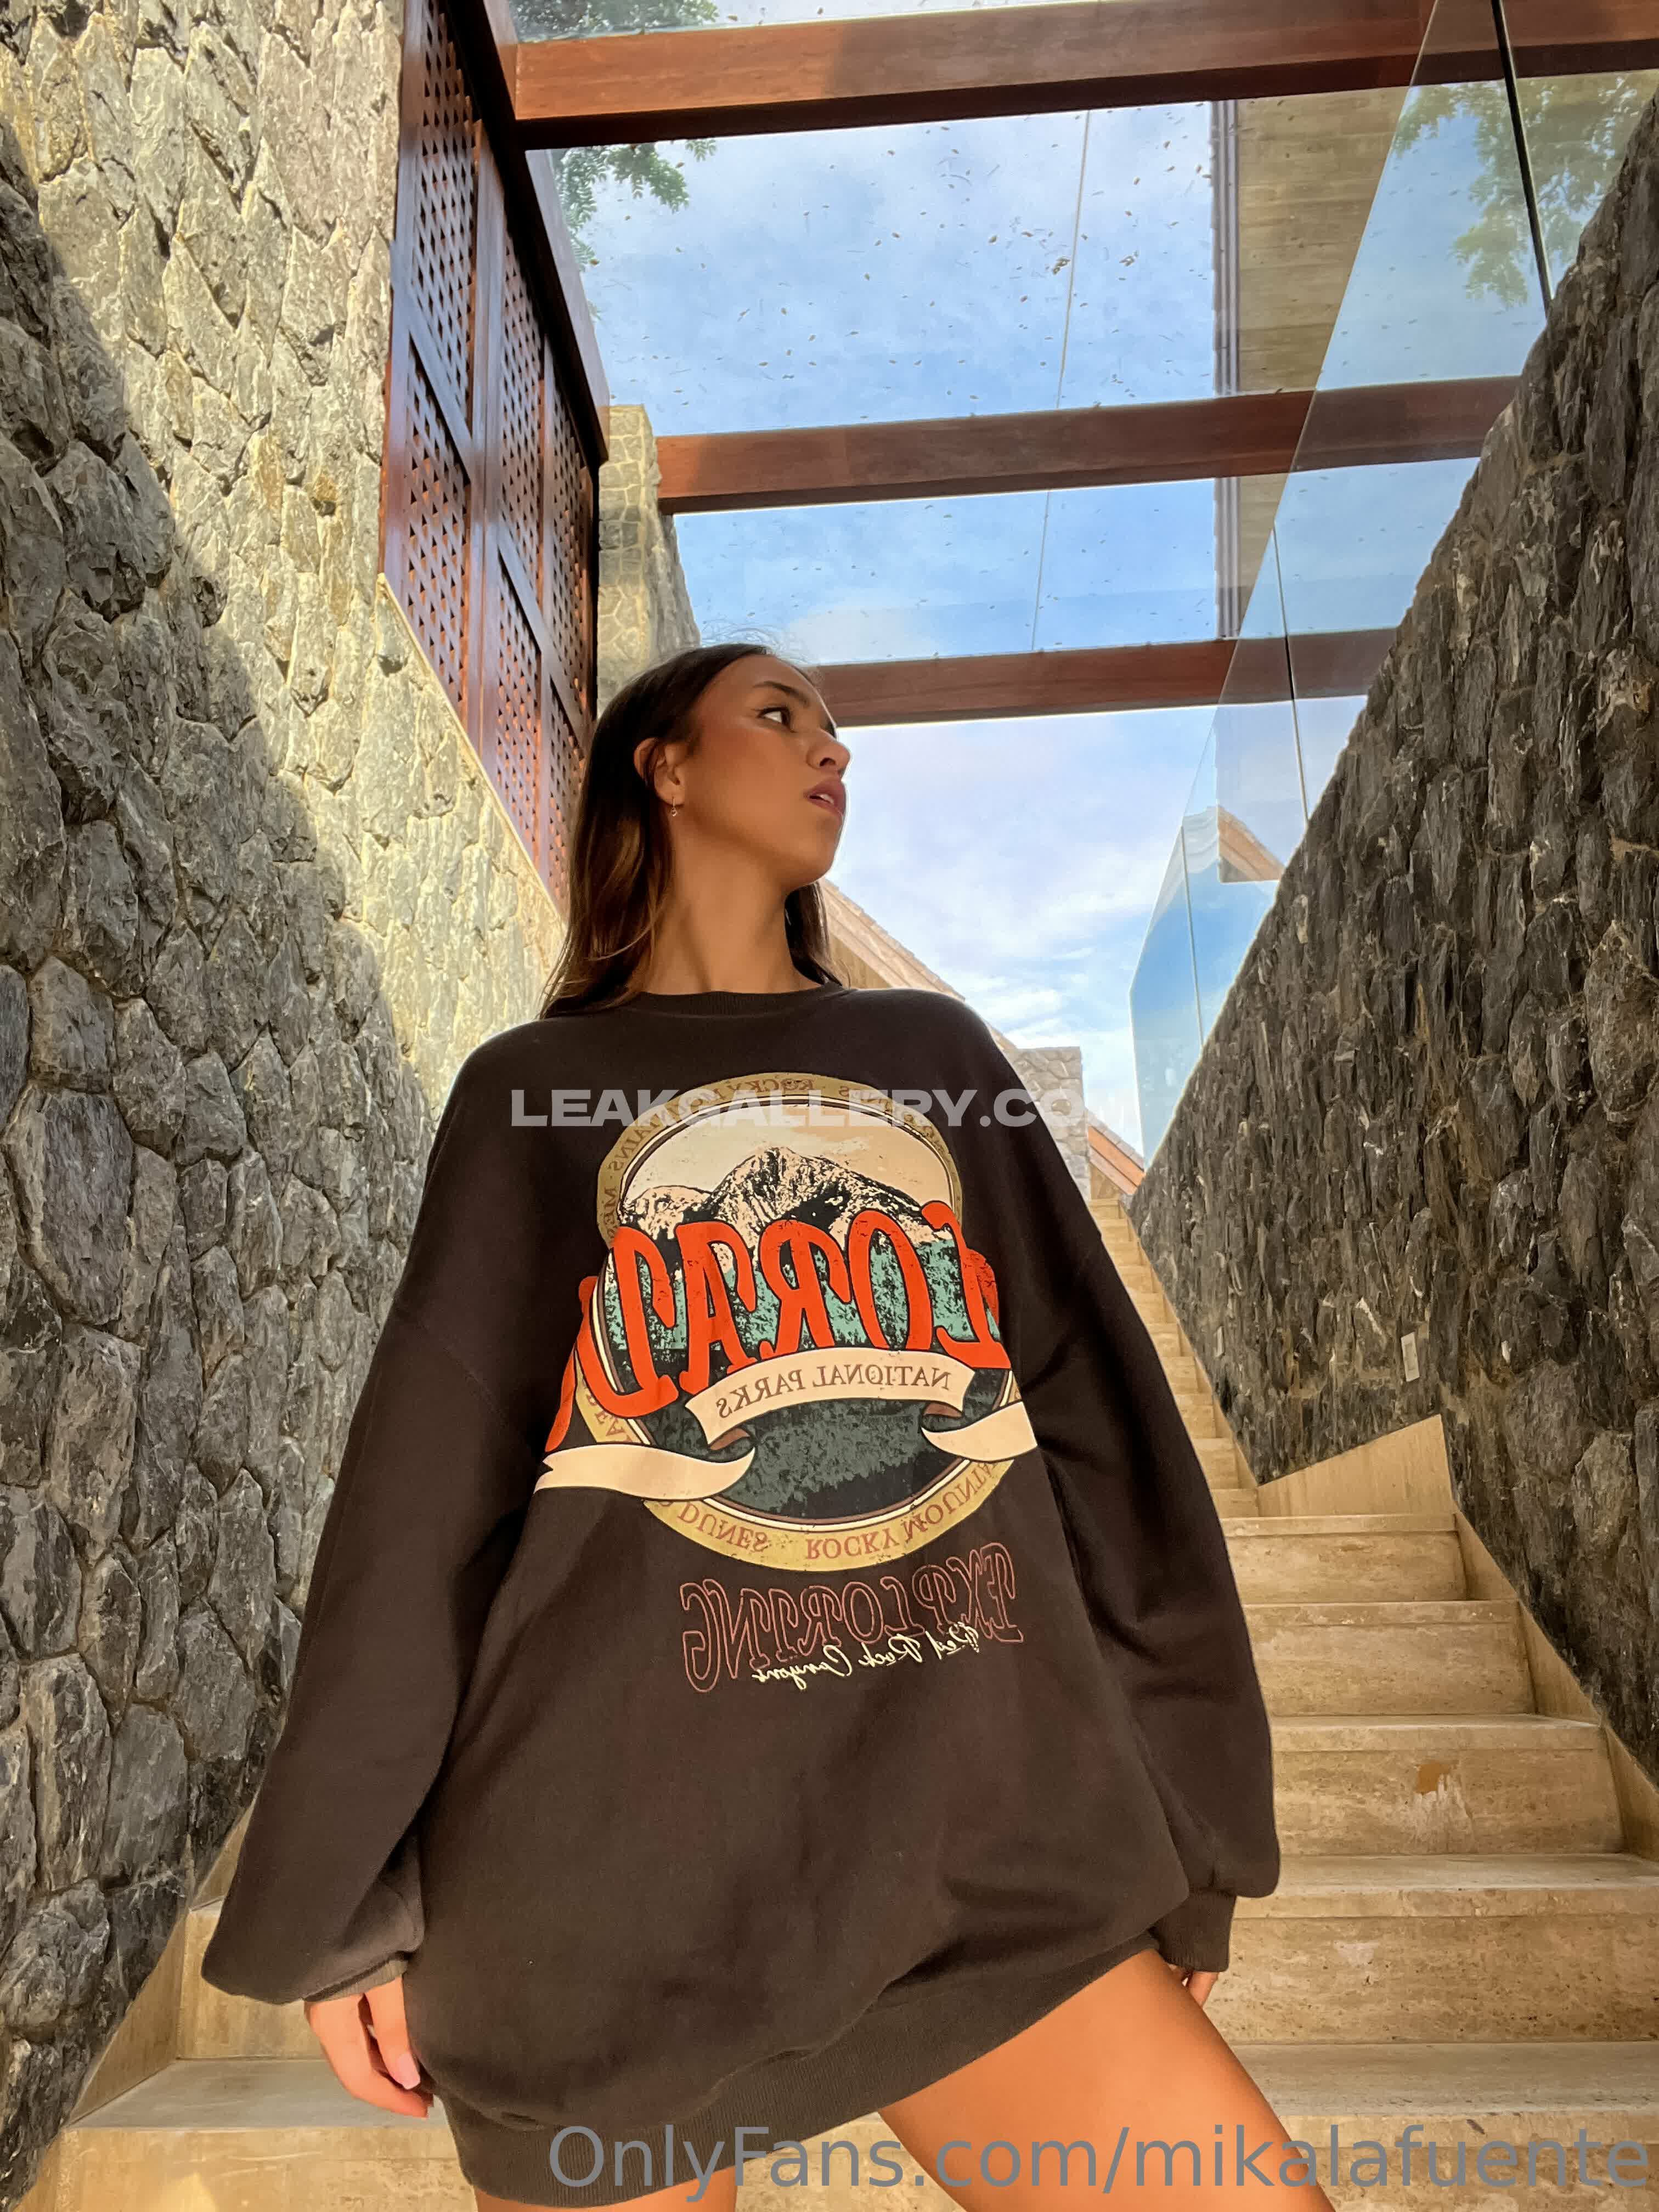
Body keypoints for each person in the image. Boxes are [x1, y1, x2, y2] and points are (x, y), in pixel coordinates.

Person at [201, 641, 1332, 2211]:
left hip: (981, 1854)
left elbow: (1113, 1449)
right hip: (606, 1892)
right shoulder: (531, 1093)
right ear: (664, 767)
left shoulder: (936, 1063)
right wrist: (353, 1896)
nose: (833, 753)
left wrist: (1199, 1822)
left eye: (840, 731)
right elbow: (423, 1511)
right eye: (783, 716)